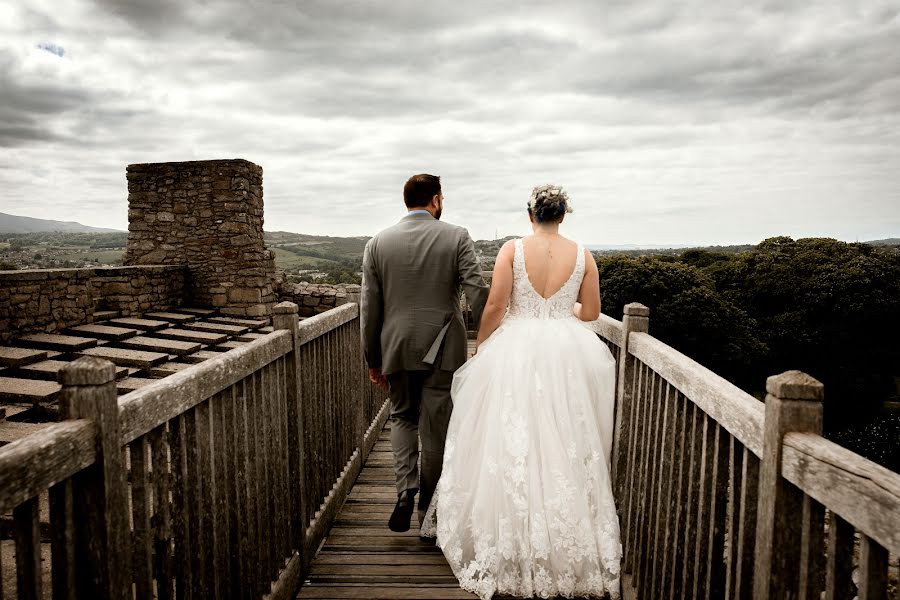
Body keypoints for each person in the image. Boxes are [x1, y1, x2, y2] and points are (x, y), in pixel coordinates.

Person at [421, 185, 622, 599]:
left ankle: (510, 532)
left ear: (530, 214)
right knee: (562, 439)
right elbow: (591, 312)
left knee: (510, 439)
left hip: (516, 350)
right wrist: (559, 312)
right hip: (567, 352)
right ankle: (561, 540)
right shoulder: (584, 254)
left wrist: (484, 346)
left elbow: (495, 305)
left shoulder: (512, 250)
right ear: (562, 216)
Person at [360, 173, 489, 535]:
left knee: (401, 417)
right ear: (435, 200)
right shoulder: (456, 236)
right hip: (445, 350)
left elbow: (369, 306)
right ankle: (429, 516)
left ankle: (405, 491)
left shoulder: (377, 243)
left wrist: (373, 358)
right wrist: (491, 336)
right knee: (436, 431)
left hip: (396, 346)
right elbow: (476, 289)